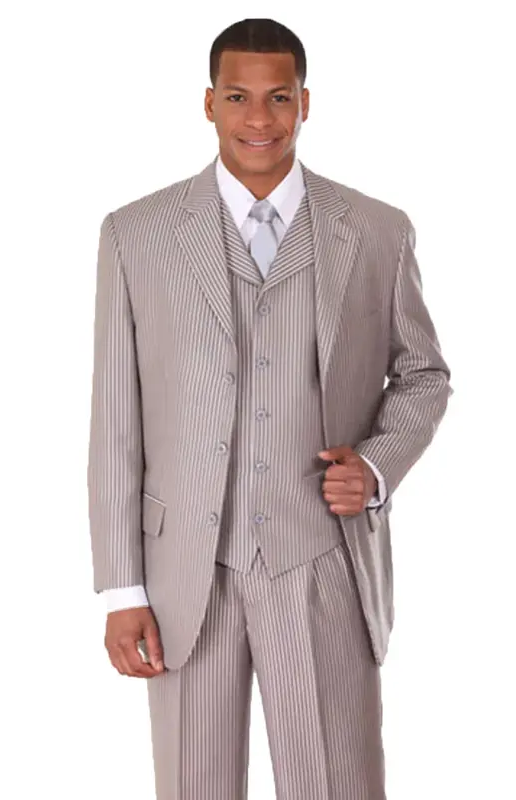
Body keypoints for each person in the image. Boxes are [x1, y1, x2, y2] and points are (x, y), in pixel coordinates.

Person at [87, 17, 453, 800]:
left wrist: (376, 467)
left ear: (304, 103)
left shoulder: (376, 231)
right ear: (208, 103)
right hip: (184, 570)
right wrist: (122, 590)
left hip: (319, 559)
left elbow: (423, 374)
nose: (259, 118)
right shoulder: (135, 235)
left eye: (278, 97)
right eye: (238, 97)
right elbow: (115, 423)